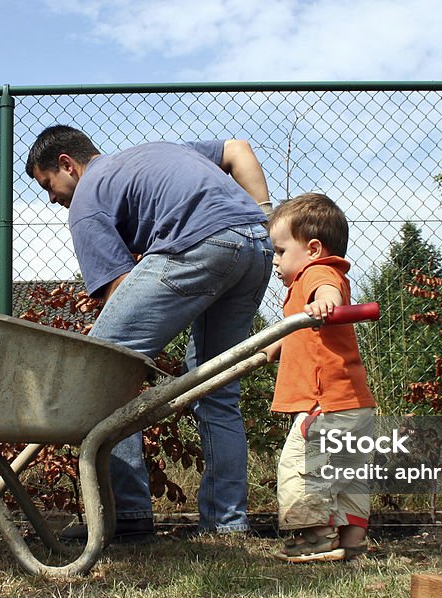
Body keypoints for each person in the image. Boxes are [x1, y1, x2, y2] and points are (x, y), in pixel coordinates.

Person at [24, 125, 274, 540]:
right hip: (255, 244)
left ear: (67, 164)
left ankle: (127, 517)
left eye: (49, 184)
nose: (52, 198)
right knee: (217, 389)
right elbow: (237, 149)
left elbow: (118, 295)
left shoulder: (86, 200)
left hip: (198, 244)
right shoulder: (157, 150)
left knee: (101, 373)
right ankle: (225, 526)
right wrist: (265, 215)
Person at [263, 193, 376, 562]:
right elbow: (298, 332)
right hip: (355, 405)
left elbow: (329, 287)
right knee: (350, 475)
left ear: (312, 248)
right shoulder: (303, 287)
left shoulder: (318, 273)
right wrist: (271, 348)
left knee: (301, 466)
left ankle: (316, 536)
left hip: (324, 405)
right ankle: (351, 541)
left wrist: (325, 300)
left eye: (280, 251)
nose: (275, 261)